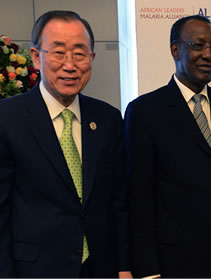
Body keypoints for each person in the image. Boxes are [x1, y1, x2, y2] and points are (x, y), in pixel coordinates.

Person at [124, 15, 211, 278]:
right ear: (175, 49)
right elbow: (139, 199)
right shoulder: (145, 111)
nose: (209, 55)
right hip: (176, 262)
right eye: (198, 45)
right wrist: (147, 270)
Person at [0, 10, 131, 278]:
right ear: (36, 57)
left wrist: (124, 266)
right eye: (58, 52)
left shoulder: (108, 118)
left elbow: (118, 202)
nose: (69, 65)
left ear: (92, 58)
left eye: (80, 53)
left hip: (100, 267)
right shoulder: (7, 118)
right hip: (34, 269)